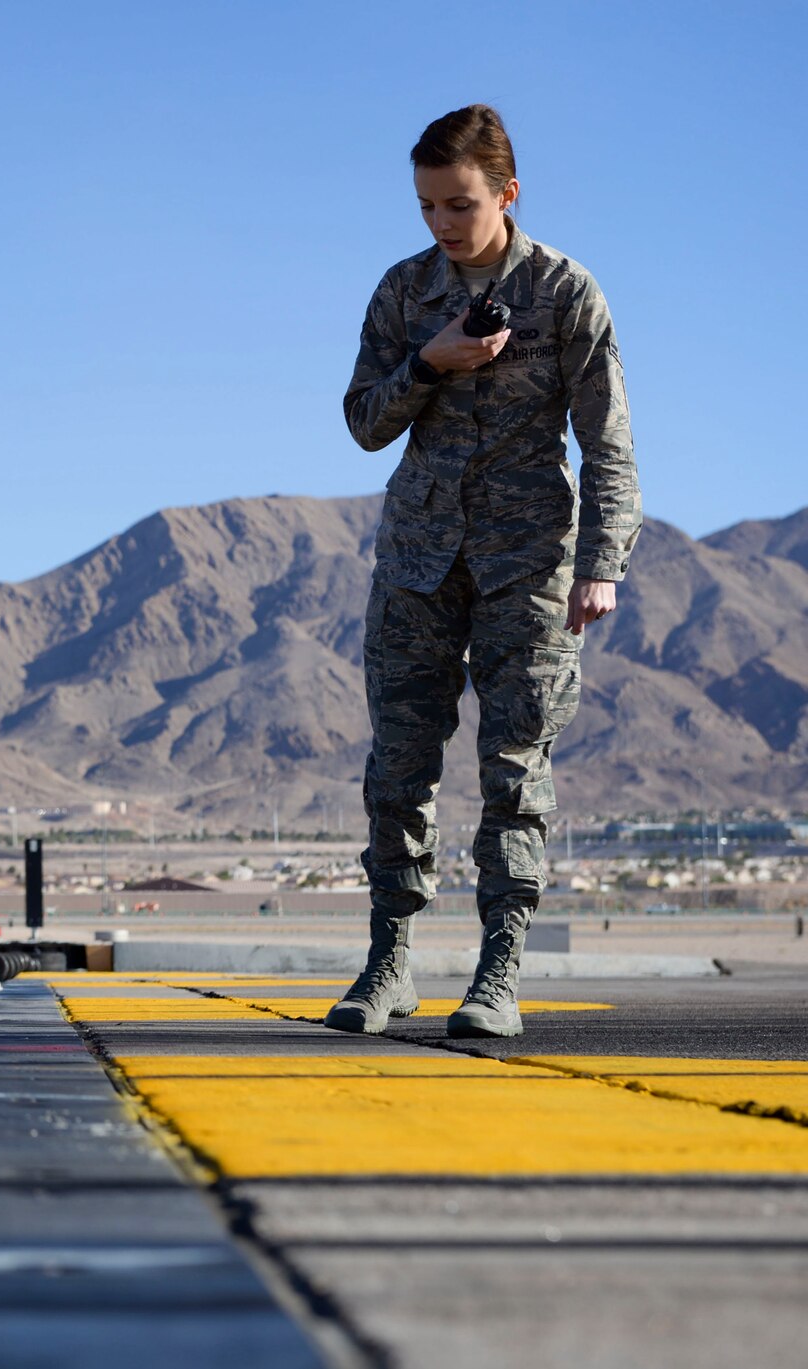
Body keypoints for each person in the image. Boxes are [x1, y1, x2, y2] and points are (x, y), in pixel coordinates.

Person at [325, 104, 640, 1038]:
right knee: (399, 770)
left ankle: (499, 968)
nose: (442, 223)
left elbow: (608, 441)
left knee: (515, 770)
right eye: (426, 205)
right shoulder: (402, 292)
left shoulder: (565, 292)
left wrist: (602, 562)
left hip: (528, 566)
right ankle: (388, 961)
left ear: (507, 193)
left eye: (459, 204)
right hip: (418, 562)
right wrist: (432, 360)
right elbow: (363, 422)